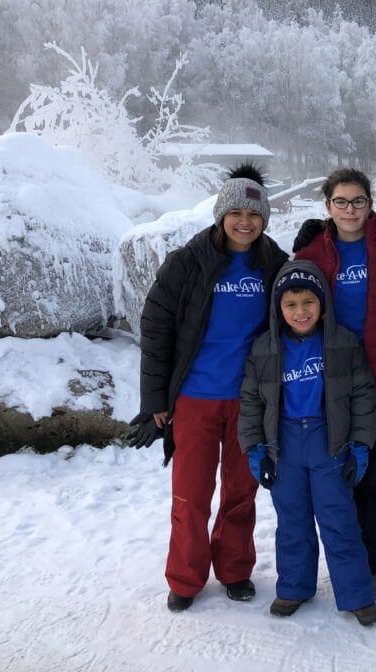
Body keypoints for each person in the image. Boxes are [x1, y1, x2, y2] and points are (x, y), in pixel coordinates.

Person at [128, 163, 288, 612]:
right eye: (236, 212)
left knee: (241, 490)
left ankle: (235, 569)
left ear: (265, 221)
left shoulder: (274, 263)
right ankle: (185, 576)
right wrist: (155, 401)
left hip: (248, 400)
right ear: (221, 215)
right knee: (191, 494)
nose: (245, 222)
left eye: (255, 215)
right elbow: (156, 329)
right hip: (195, 398)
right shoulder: (188, 261)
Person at [238, 260, 376, 626]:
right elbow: (252, 400)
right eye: (291, 305)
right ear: (278, 308)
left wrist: (360, 444)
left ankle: (356, 593)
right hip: (283, 445)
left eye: (308, 303)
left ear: (322, 304)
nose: (301, 312)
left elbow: (363, 394)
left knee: (339, 520)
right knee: (292, 521)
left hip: (328, 442)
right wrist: (255, 449)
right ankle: (294, 587)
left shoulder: (342, 343)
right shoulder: (265, 348)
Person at [293, 168, 376, 599]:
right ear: (327, 207)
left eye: (358, 201)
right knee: (339, 476)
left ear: (370, 204)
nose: (350, 210)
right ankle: (346, 557)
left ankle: (374, 563)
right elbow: (291, 304)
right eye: (340, 202)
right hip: (332, 382)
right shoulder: (311, 252)